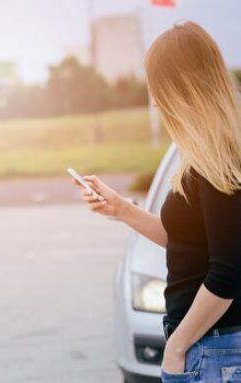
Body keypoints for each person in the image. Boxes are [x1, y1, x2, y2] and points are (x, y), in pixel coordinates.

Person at [72, 20, 241, 383]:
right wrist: (122, 209)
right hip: (211, 346)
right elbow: (191, 243)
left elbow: (228, 274)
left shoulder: (220, 157)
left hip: (214, 349)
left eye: (157, 86)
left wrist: (177, 346)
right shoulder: (201, 155)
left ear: (182, 88)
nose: (153, 99)